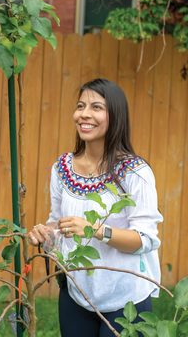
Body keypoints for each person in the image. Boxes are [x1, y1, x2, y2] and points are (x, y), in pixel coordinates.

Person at [27, 79, 162, 337]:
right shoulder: (62, 168)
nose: (84, 114)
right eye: (81, 106)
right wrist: (45, 234)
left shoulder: (135, 172)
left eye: (96, 107)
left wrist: (95, 230)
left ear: (115, 117)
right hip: (76, 293)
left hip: (126, 298)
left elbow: (145, 240)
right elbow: (58, 222)